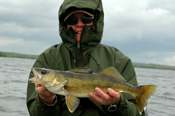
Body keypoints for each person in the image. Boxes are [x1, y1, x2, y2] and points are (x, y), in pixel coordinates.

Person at [26, 0, 146, 115]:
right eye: (72, 20)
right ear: (64, 23)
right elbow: (34, 112)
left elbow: (137, 113)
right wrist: (46, 101)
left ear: (96, 21)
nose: (79, 24)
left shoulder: (119, 60)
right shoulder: (48, 58)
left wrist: (116, 104)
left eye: (86, 19)